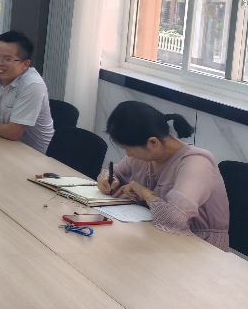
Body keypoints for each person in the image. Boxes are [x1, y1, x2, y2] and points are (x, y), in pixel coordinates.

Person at [98, 101, 229, 250]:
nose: (128, 155)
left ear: (153, 142)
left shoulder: (197, 163)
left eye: (128, 150)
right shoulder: (146, 154)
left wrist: (144, 192)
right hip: (156, 236)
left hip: (199, 247)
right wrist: (107, 180)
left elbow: (174, 219)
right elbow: (114, 173)